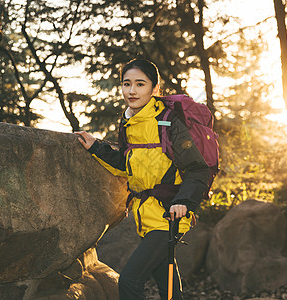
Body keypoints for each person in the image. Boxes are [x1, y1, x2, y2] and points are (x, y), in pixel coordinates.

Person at [75, 58, 210, 299]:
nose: (132, 91)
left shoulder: (168, 122)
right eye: (127, 84)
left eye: (140, 84)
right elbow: (125, 164)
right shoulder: (128, 123)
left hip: (169, 215)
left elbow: (198, 169)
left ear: (155, 89)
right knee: (167, 284)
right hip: (145, 216)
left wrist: (184, 202)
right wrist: (96, 147)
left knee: (129, 281)